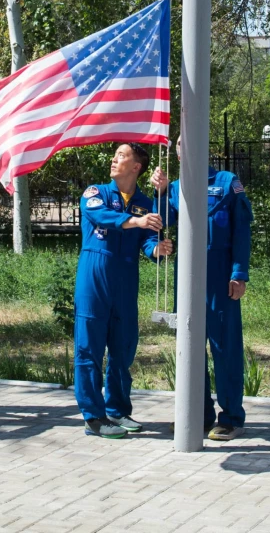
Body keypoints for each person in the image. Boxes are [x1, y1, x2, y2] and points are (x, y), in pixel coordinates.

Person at [150, 137, 253, 441]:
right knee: (190, 347)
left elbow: (241, 230)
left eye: (189, 140)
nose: (184, 147)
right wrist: (161, 192)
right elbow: (162, 221)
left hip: (220, 280)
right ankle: (197, 415)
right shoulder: (177, 187)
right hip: (188, 277)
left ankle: (231, 417)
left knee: (225, 349)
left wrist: (239, 273)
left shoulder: (226, 183)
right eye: (180, 143)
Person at [75, 143, 174, 439]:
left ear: (136, 167)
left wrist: (156, 248)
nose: (114, 159)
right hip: (95, 272)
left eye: (122, 156)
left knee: (123, 347)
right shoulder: (95, 193)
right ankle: (93, 416)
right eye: (115, 155)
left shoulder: (146, 202)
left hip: (126, 277)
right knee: (89, 346)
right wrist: (135, 221)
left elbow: (145, 239)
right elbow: (103, 217)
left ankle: (117, 409)